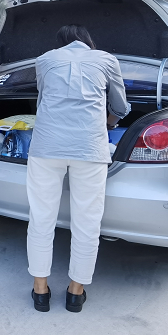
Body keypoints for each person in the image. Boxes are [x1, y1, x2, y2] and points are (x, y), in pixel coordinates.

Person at [27, 24, 129, 313]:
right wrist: (109, 121)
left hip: (46, 148)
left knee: (41, 218)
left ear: (60, 43)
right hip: (90, 149)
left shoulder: (44, 60)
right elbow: (120, 105)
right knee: (87, 221)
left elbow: (43, 99)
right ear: (87, 41)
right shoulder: (107, 59)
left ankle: (40, 291)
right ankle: (75, 293)